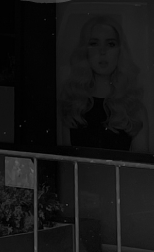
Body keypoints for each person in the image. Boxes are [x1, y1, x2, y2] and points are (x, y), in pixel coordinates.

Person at [59, 14, 149, 152]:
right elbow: (64, 165)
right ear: (84, 50)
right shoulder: (72, 105)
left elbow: (140, 168)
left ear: (120, 51)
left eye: (110, 44)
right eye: (94, 43)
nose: (102, 51)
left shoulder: (133, 108)